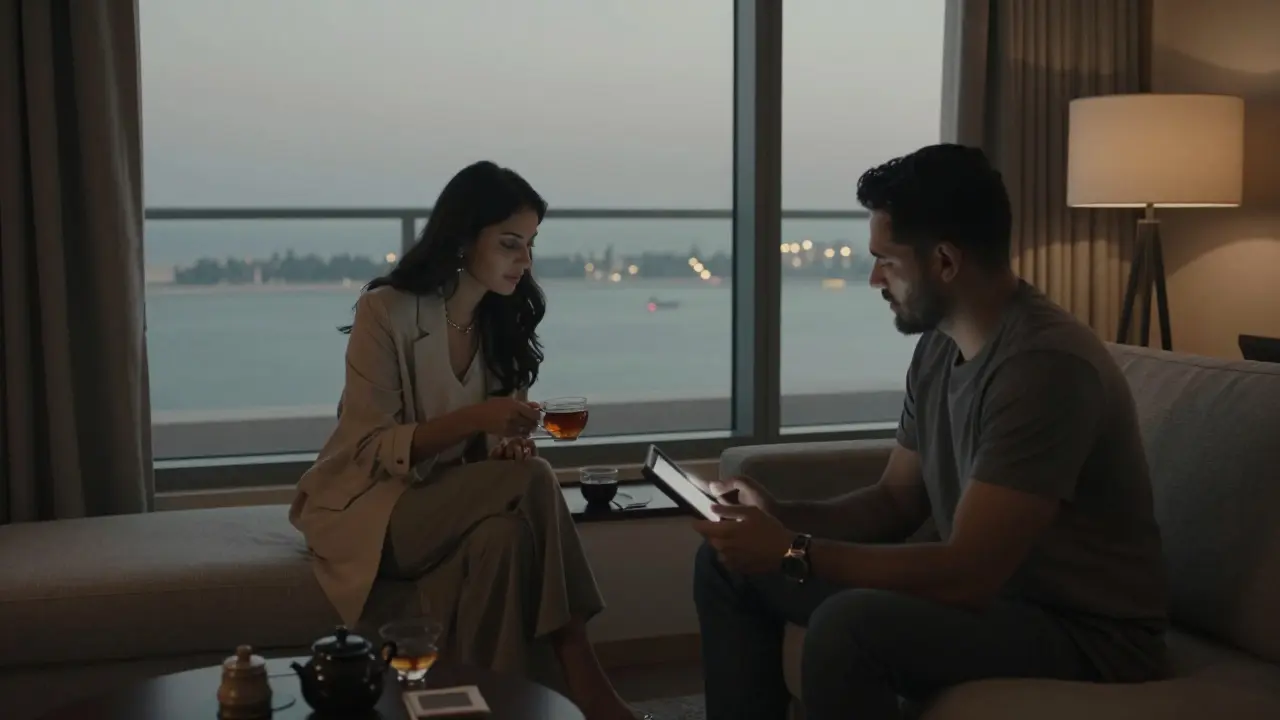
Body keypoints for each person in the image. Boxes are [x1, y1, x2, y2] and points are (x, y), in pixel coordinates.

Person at [692, 144, 1169, 720]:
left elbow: (969, 572)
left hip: (1084, 633)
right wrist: (780, 516)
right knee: (727, 566)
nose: (873, 278)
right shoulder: (939, 346)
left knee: (851, 626)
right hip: (998, 602)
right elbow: (895, 501)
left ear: (945, 261)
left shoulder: (1044, 368)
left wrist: (794, 550)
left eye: (887, 260)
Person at [289, 161, 648, 720]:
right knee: (532, 481)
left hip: (453, 506)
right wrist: (480, 420)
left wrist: (501, 448)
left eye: (529, 244)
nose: (525, 260)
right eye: (510, 243)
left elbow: (485, 453)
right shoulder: (385, 311)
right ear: (462, 239)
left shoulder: (503, 323)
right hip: (374, 507)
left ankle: (492, 706)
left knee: (503, 538)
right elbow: (369, 447)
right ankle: (582, 673)